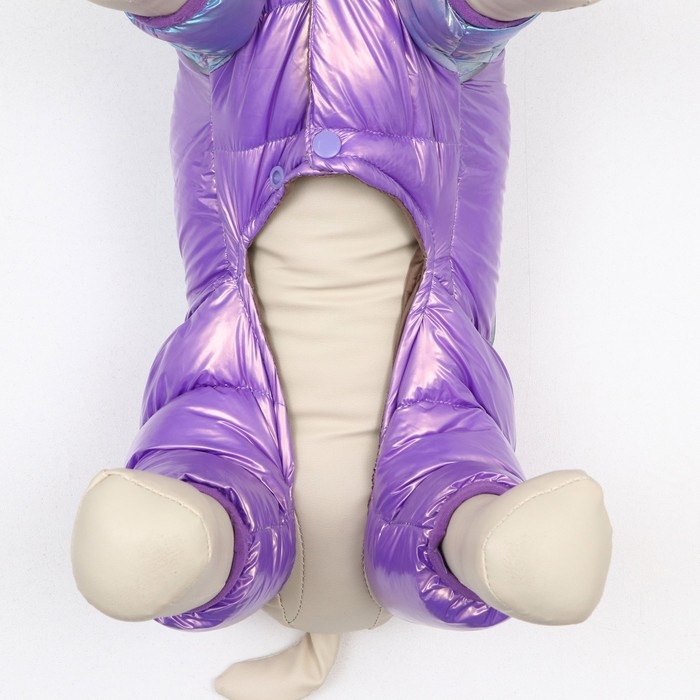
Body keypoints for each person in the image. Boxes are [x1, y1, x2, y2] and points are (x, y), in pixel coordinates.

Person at [72, 1, 612, 697]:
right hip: (430, 399)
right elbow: (465, 20)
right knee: (444, 462)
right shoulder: (434, 32)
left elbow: (204, 19)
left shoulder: (239, 31)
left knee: (206, 455)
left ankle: (182, 536)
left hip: (234, 394)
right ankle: (490, 541)